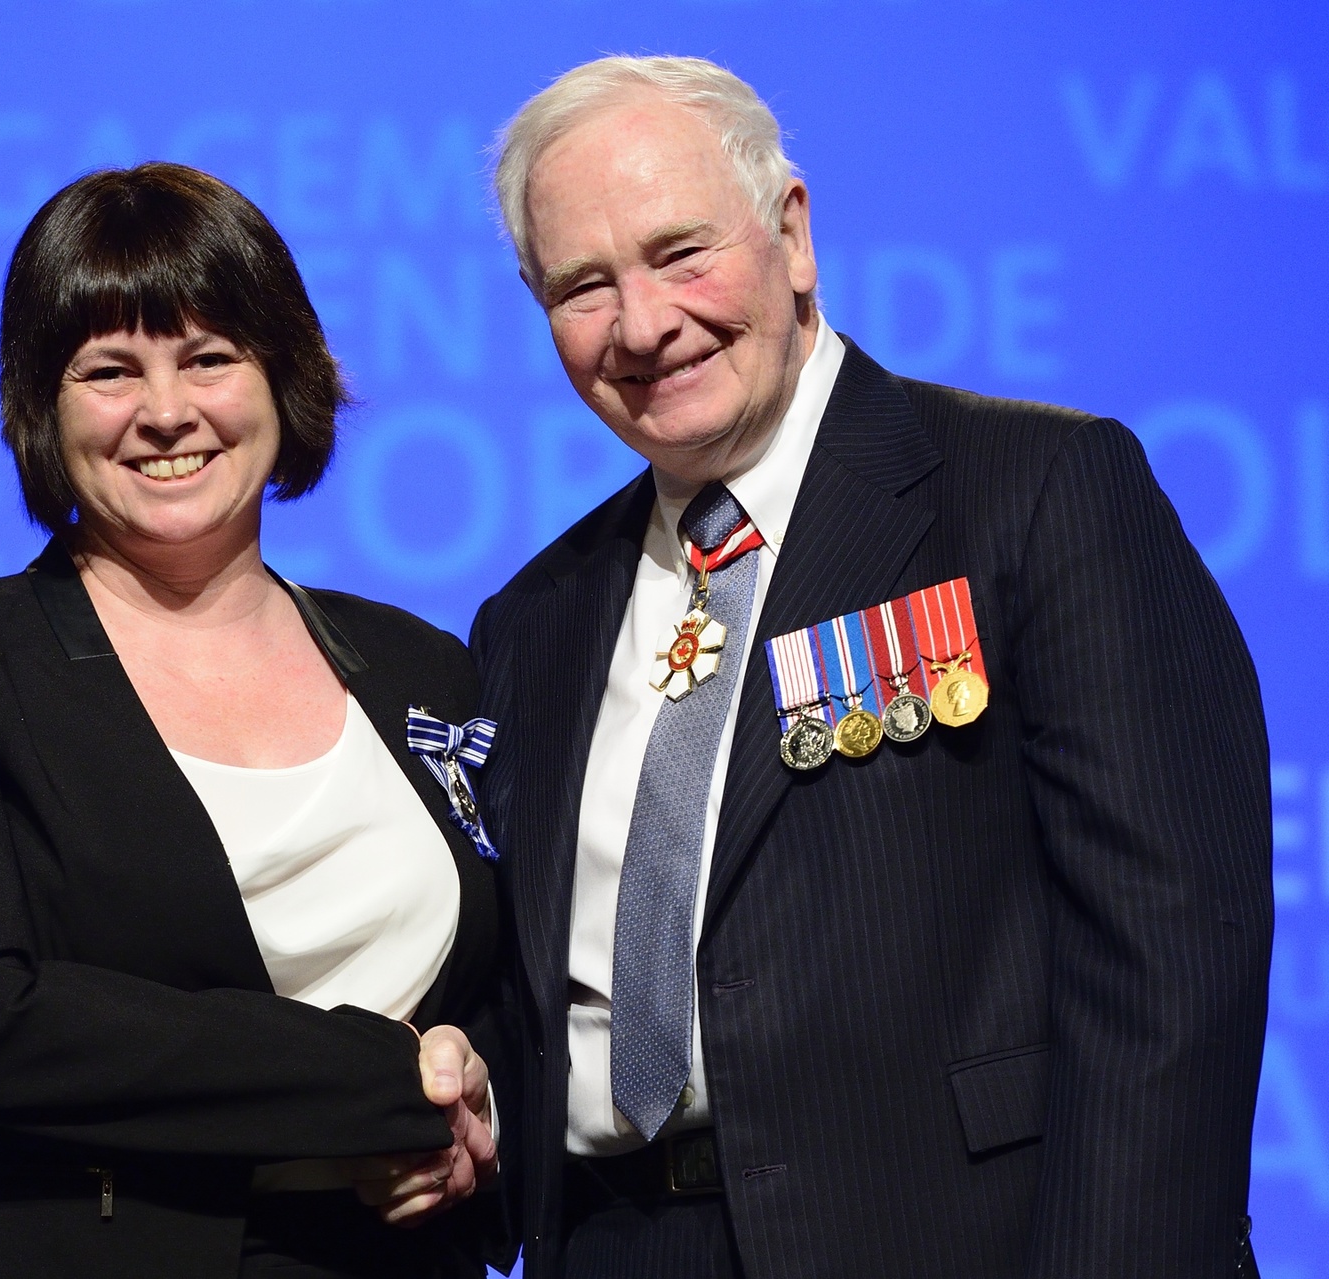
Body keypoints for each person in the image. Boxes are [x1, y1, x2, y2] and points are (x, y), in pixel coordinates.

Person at [471, 55, 1271, 1279]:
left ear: (792, 235)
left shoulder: (1033, 495)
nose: (640, 326)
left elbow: (1173, 959)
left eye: (681, 253)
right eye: (584, 285)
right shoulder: (531, 619)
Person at [0, 163, 505, 1279]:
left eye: (208, 357)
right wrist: (377, 1085)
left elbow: (505, 1001)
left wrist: (477, 1127)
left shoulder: (423, 666)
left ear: (283, 377)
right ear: (41, 405)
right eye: (108, 369)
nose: (164, 412)